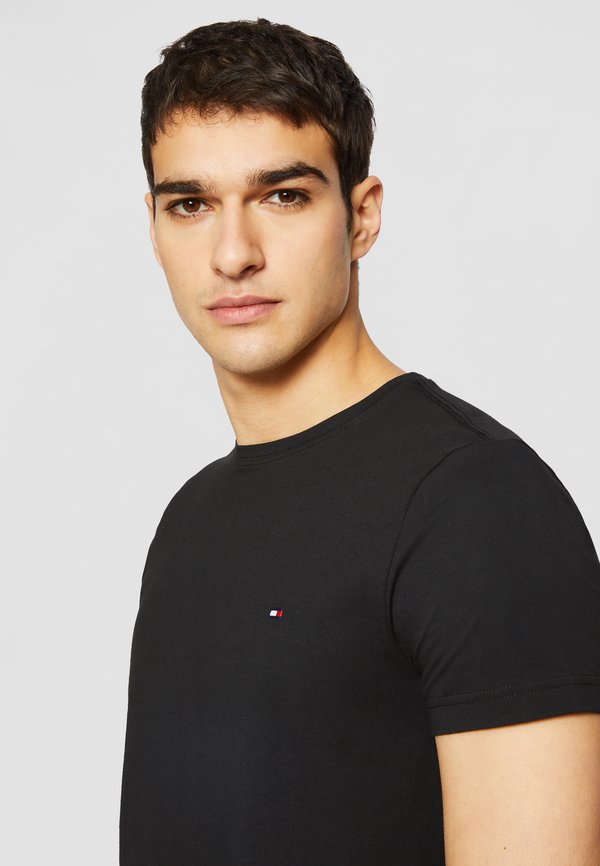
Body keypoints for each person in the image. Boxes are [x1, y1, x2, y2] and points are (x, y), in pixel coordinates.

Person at [119, 17, 600, 865]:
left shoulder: (477, 505)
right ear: (154, 230)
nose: (233, 254)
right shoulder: (189, 520)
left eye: (283, 195)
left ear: (362, 216)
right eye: (191, 204)